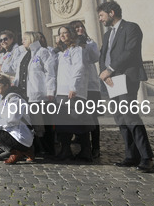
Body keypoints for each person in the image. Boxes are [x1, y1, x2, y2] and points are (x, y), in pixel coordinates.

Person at [98, 1, 154, 172]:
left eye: (102, 15)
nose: (100, 19)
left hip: (126, 77)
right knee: (120, 118)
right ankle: (131, 156)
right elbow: (103, 56)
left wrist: (110, 69)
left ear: (112, 12)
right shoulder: (108, 35)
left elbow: (130, 51)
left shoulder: (131, 28)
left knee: (130, 116)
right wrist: (104, 73)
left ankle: (147, 158)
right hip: (111, 80)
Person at [14, 31, 56, 156]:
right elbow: (18, 74)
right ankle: (35, 148)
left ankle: (48, 149)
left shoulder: (43, 52)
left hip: (37, 94)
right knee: (30, 123)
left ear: (32, 39)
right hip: (23, 94)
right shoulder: (23, 55)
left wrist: (50, 90)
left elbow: (50, 73)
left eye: (25, 39)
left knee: (42, 124)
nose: (22, 41)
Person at [55, 25, 93, 162]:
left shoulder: (77, 50)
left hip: (72, 92)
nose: (63, 36)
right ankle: (66, 151)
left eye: (65, 33)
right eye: (60, 34)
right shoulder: (64, 51)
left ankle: (86, 152)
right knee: (64, 123)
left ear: (71, 34)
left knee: (78, 121)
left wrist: (74, 87)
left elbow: (79, 68)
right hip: (61, 92)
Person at [0, 76, 34, 164]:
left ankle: (17, 152)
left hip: (20, 136)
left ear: (6, 86)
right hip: (10, 134)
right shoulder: (3, 100)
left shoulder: (15, 99)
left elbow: (12, 119)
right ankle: (22, 152)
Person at [70, 19, 102, 158]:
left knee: (93, 117)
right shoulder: (70, 45)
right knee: (79, 116)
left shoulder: (90, 43)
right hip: (77, 86)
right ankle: (83, 145)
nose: (80, 29)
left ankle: (96, 147)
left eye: (81, 27)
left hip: (91, 86)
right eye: (76, 28)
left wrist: (84, 46)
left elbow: (95, 58)